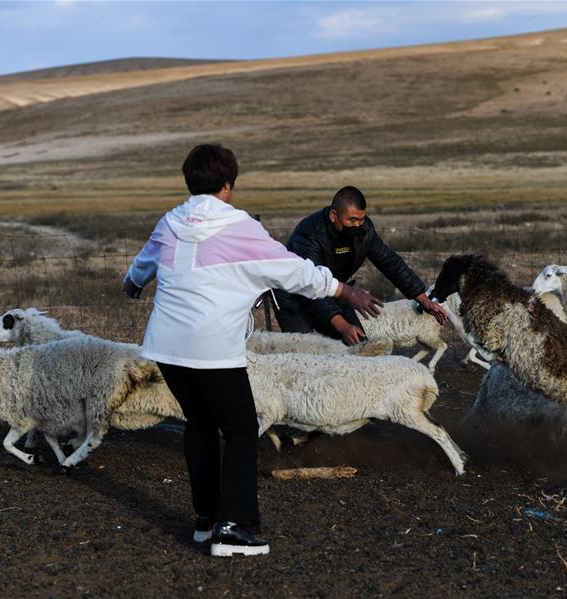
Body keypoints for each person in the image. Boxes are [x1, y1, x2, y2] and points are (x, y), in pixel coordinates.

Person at [122, 144, 382, 557]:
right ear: (228, 186)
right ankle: (234, 528)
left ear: (190, 182)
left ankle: (206, 521)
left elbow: (141, 267)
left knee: (200, 424)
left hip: (167, 348)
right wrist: (345, 289)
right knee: (242, 430)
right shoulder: (238, 226)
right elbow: (294, 270)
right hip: (211, 350)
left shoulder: (170, 222)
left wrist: (133, 283)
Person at [274, 185, 447, 345]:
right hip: (295, 296)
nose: (357, 225)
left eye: (361, 219)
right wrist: (343, 327)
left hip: (337, 290)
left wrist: (424, 300)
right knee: (304, 355)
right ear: (334, 215)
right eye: (352, 220)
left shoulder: (364, 231)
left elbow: (389, 262)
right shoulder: (309, 234)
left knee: (359, 347)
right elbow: (312, 284)